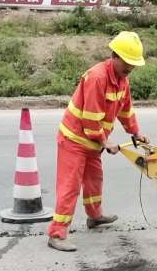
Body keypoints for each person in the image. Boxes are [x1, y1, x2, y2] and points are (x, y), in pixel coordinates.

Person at [47, 31, 148, 252]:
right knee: (69, 187)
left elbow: (126, 110)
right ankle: (57, 233)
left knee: (94, 180)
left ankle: (94, 217)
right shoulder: (97, 77)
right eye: (127, 62)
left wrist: (136, 133)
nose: (130, 67)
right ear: (114, 56)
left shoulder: (122, 80)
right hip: (74, 139)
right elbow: (90, 119)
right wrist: (105, 142)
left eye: (134, 64)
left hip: (92, 142)